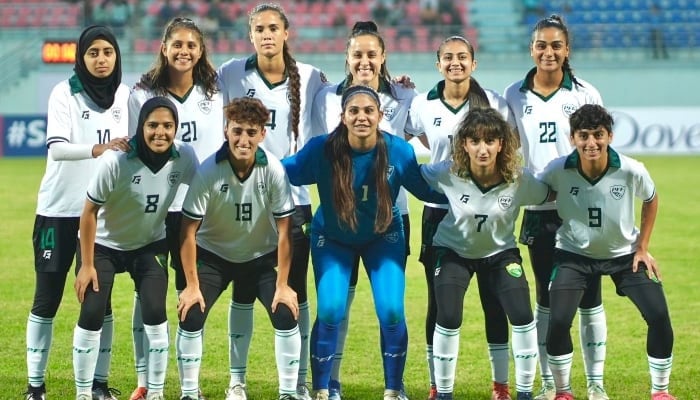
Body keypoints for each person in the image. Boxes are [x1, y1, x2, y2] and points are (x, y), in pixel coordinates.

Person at [282, 85, 447, 400]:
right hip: (332, 238)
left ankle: (393, 390)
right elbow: (285, 171)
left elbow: (425, 190)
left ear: (380, 116)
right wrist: (247, 158)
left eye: (368, 110)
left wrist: (475, 188)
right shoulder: (322, 149)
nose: (361, 116)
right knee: (330, 309)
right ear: (343, 117)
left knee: (392, 312)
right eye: (353, 111)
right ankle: (322, 389)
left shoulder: (399, 150)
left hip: (384, 237)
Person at [216, 4, 331, 399]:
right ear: (251, 35)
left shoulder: (312, 77)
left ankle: (297, 383)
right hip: (241, 197)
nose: (266, 35)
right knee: (243, 290)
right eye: (259, 29)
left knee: (295, 293)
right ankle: (236, 379)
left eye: (273, 28)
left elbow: (345, 96)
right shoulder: (231, 72)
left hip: (294, 200)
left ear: (287, 33)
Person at [405, 35, 517, 400]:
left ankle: (500, 385)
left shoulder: (493, 102)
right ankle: (438, 383)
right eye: (448, 57)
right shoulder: (422, 103)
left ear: (474, 62)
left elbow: (508, 146)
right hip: (440, 215)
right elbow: (411, 137)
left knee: (494, 299)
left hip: (486, 210)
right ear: (438, 63)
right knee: (440, 303)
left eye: (463, 57)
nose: (456, 63)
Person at [503, 14, 608, 400]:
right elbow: (508, 151)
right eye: (541, 45)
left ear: (567, 50)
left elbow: (600, 150)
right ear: (531, 49)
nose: (548, 52)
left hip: (581, 211)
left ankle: (595, 383)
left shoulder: (585, 93)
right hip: (539, 213)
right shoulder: (513, 94)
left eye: (556, 45)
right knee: (547, 298)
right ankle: (550, 382)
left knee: (590, 297)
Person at [310, 20, 417, 400]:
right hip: (339, 219)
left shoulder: (404, 97)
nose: (365, 61)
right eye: (358, 54)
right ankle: (330, 383)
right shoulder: (324, 96)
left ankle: (394, 385)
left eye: (372, 54)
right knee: (338, 303)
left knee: (390, 305)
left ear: (383, 57)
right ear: (347, 57)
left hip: (390, 218)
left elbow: (418, 144)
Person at [539, 104, 675, 400]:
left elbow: (651, 199)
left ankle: (660, 391)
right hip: (573, 256)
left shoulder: (630, 169)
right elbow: (537, 192)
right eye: (583, 136)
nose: (591, 143)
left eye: (598, 135)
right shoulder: (557, 170)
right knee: (559, 320)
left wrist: (643, 247)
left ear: (610, 136)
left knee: (659, 315)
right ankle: (563, 391)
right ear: (572, 137)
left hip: (624, 256)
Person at [24, 25, 130, 400]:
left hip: (102, 214)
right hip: (59, 210)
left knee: (99, 301)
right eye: (93, 53)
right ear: (81, 58)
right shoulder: (64, 93)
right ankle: (35, 386)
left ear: (117, 56)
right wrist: (99, 150)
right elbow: (56, 149)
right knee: (46, 299)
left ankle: (99, 384)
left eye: (108, 52)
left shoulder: (126, 96)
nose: (101, 59)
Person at [175, 97, 300, 400]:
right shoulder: (208, 171)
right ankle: (190, 392)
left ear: (262, 134)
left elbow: (285, 232)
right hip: (214, 256)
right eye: (237, 131)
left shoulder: (272, 169)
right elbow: (187, 232)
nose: (243, 139)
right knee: (190, 313)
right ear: (226, 131)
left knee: (285, 313)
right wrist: (192, 285)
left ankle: (286, 393)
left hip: (258, 258)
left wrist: (283, 285)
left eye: (251, 132)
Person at [73, 96, 198, 400]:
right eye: (152, 125)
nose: (160, 132)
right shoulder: (116, 160)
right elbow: (88, 212)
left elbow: (202, 193)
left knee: (155, 310)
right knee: (92, 311)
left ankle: (153, 393)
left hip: (148, 244)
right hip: (102, 245)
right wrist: (87, 265)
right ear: (141, 126)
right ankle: (83, 394)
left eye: (168, 126)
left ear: (176, 128)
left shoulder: (185, 157)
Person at [127, 16, 223, 400]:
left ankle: (189, 387)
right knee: (146, 294)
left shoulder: (214, 93)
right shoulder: (140, 94)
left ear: (200, 51)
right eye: (177, 44)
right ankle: (145, 383)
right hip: (153, 207)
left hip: (199, 210)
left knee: (189, 292)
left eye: (192, 45)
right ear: (164, 48)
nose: (184, 51)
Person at [421, 107, 548, 400]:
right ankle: (443, 393)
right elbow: (414, 177)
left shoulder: (519, 179)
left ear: (501, 144)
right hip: (453, 251)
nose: (482, 149)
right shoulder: (447, 172)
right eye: (475, 141)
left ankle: (522, 392)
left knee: (521, 314)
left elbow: (550, 194)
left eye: (490, 141)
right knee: (449, 316)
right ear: (464, 144)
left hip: (500, 253)